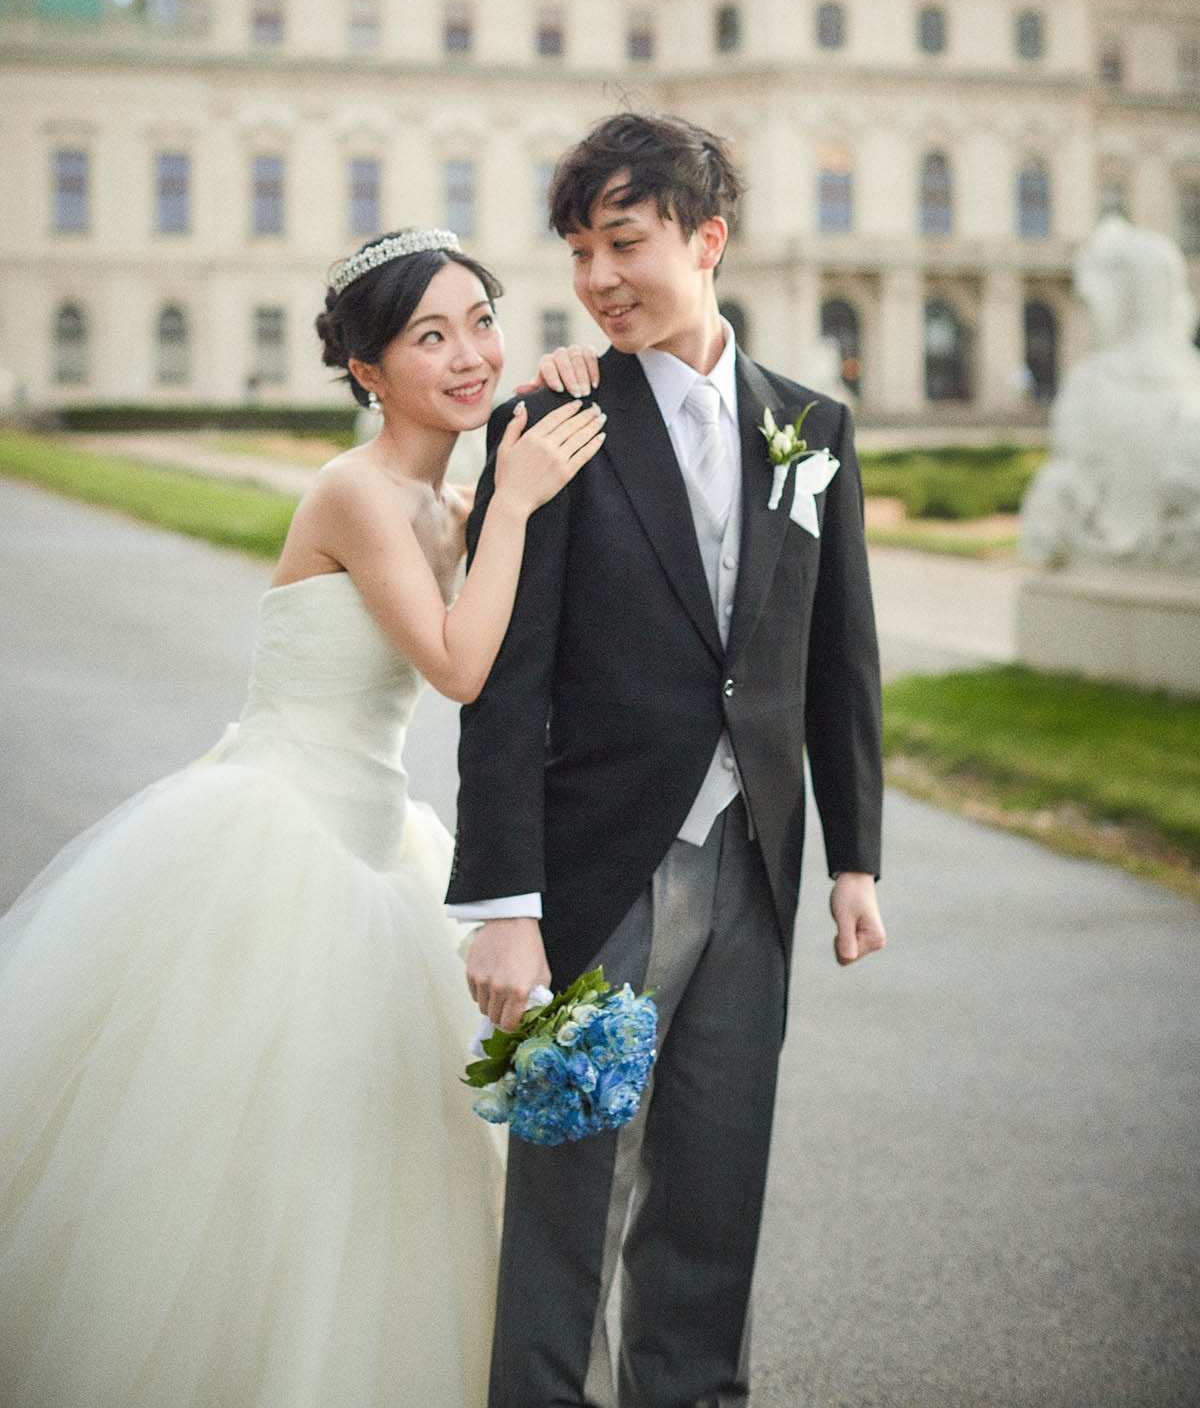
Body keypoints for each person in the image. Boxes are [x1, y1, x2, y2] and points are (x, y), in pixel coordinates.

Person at [0, 228, 606, 1408]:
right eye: (430, 336)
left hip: (379, 837)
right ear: (368, 372)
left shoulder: (446, 505)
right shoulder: (358, 492)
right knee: (247, 1167)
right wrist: (520, 505)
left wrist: (566, 392)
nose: (471, 353)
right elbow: (458, 666)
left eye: (482, 320)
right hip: (276, 838)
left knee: (374, 1170)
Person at [447, 115, 887, 1408]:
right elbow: (503, 687)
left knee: (712, 1185)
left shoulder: (815, 428)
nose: (596, 278)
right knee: (567, 1201)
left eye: (623, 243)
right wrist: (505, 908)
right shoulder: (551, 422)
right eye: (579, 250)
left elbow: (837, 662)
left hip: (752, 870)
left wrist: (853, 856)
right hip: (598, 878)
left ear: (707, 240)